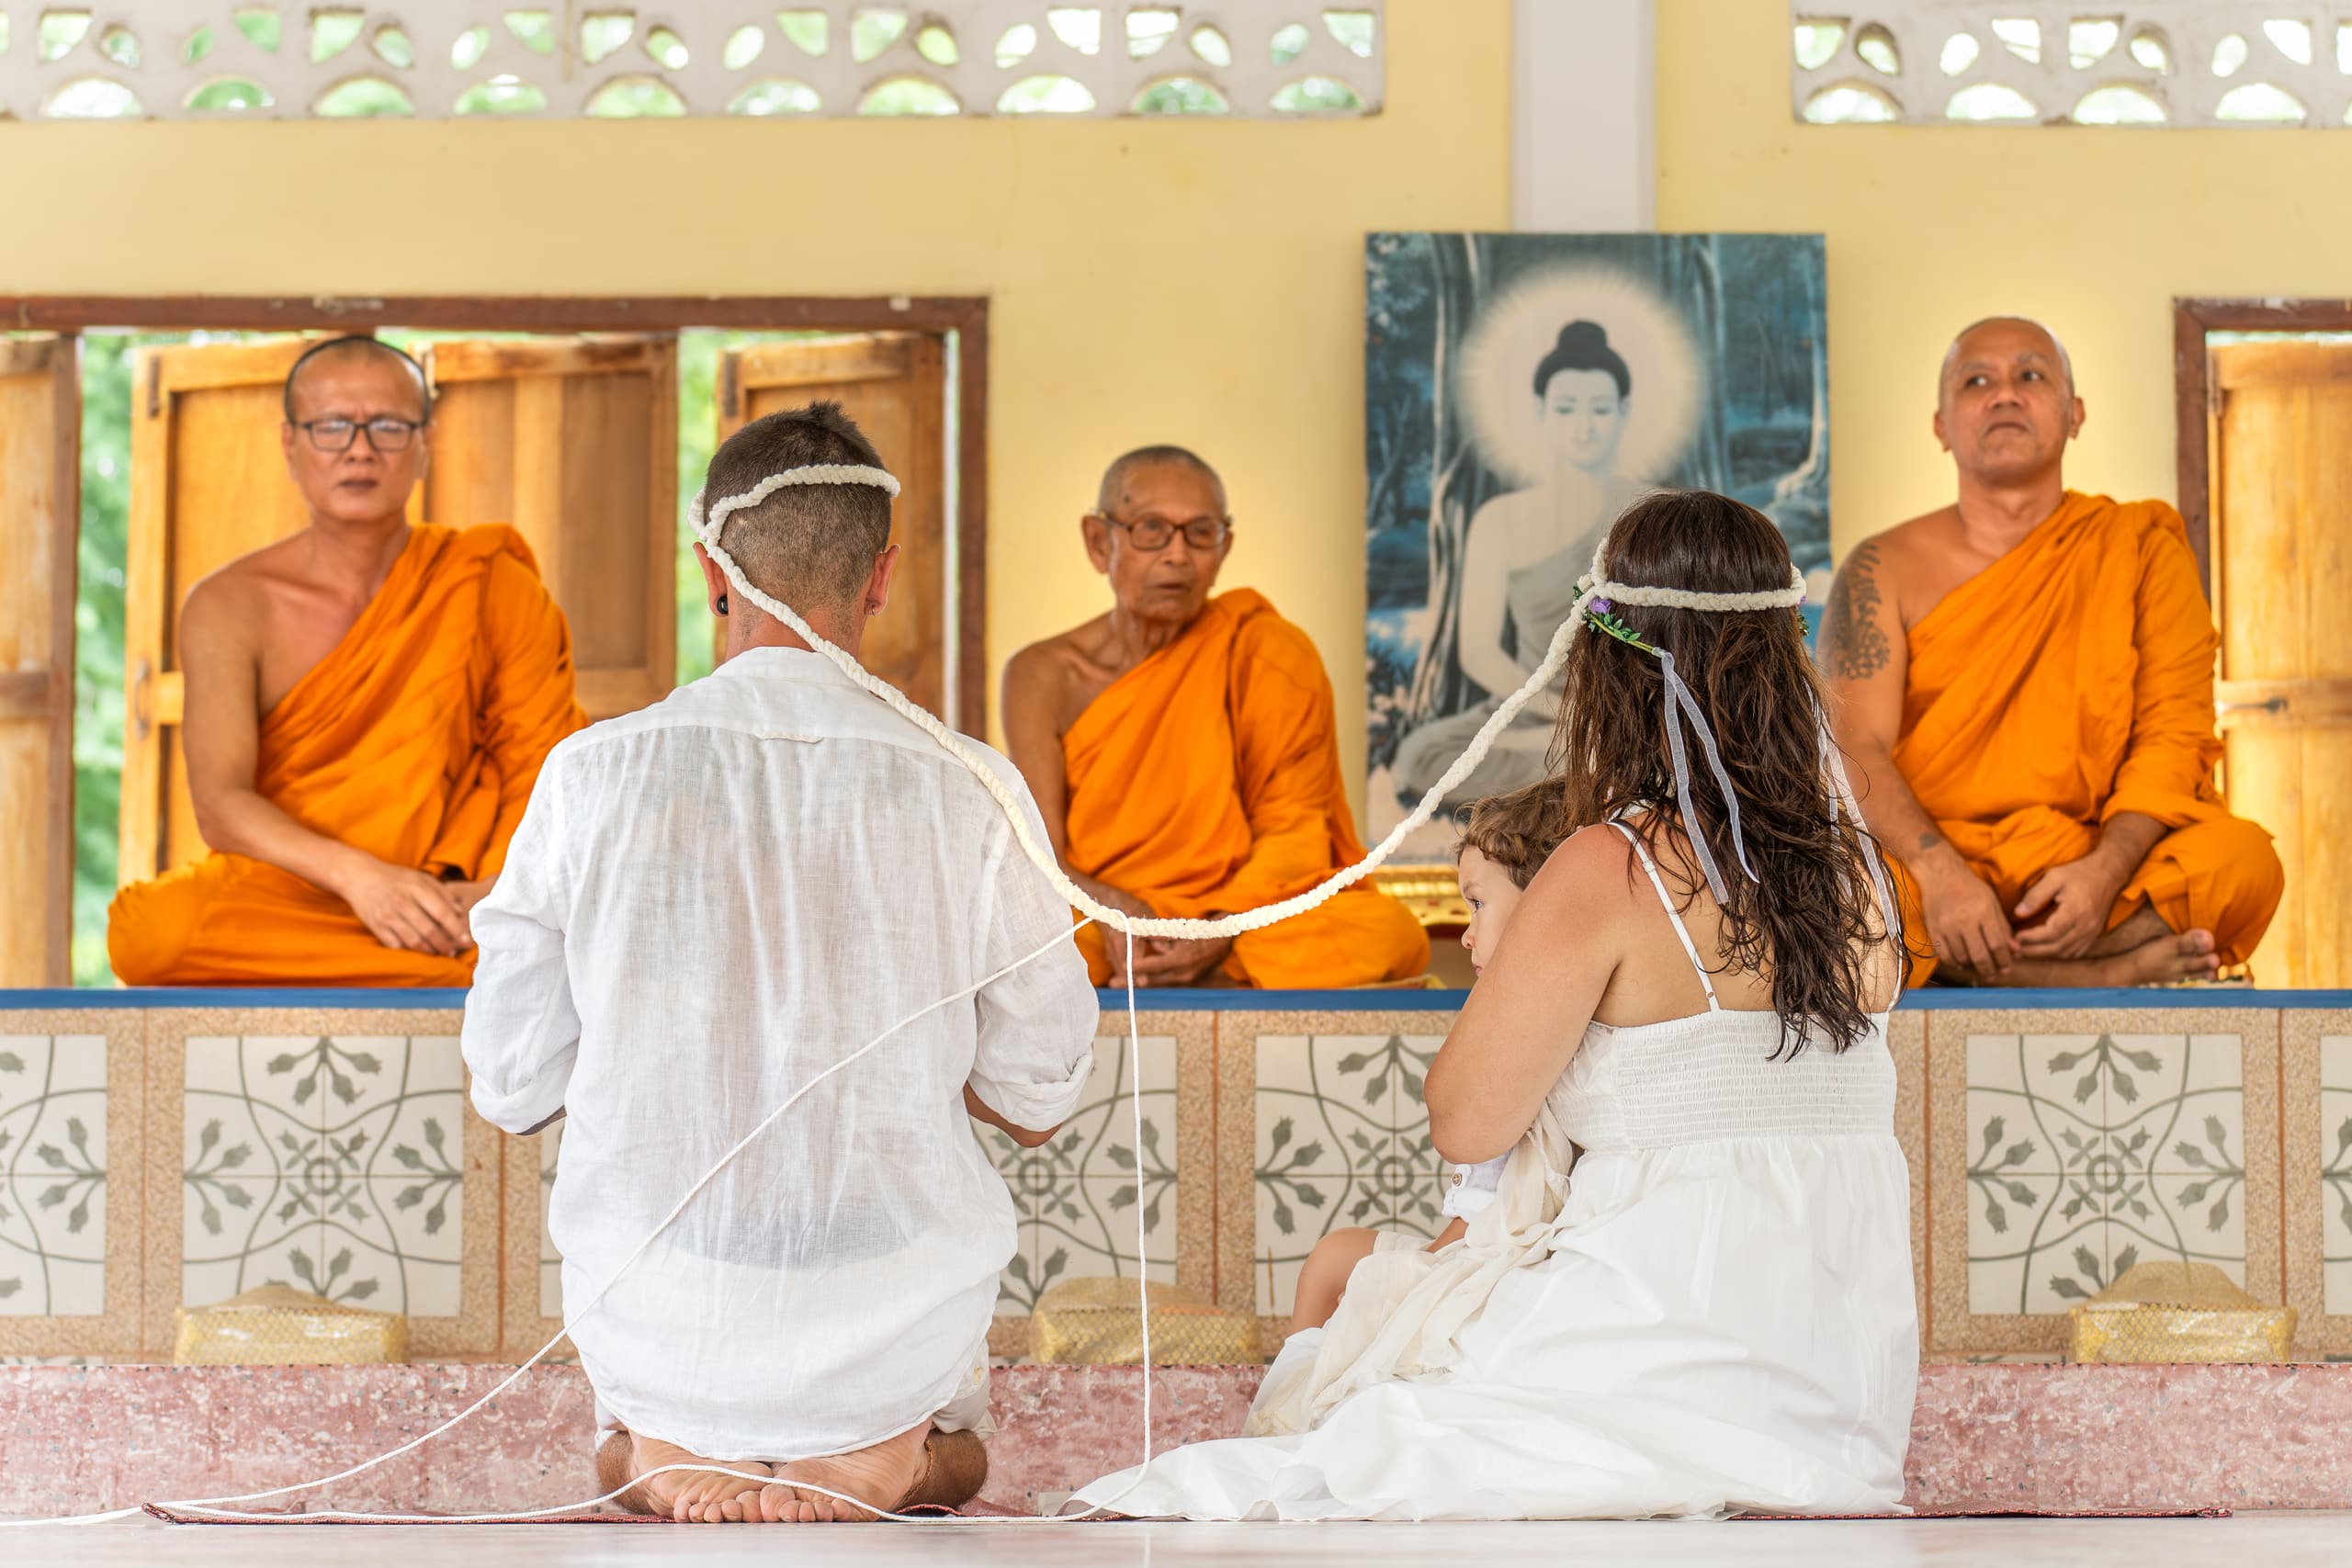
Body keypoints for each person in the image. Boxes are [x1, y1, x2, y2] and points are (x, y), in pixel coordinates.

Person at [1073, 491, 1917, 1520]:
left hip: (1653, 1358)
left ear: (1611, 662)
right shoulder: (1861, 875)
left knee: (1334, 1450)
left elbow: (1465, 1120)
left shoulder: (1612, 864)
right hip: (1836, 1405)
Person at [461, 403, 1099, 1525]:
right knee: (968, 1461)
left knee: (619, 1436)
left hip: (667, 1300)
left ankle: (653, 1444)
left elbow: (511, 1089)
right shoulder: (971, 782)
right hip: (890, 1295)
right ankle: (895, 1454)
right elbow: (1039, 1099)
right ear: (881, 577)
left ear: (712, 572)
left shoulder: (591, 773)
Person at [1817, 317, 2283, 987]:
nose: (2005, 394)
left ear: (2075, 414)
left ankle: (1986, 968)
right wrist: (1940, 872)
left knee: (2244, 863)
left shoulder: (2140, 548)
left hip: (2091, 858)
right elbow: (1852, 744)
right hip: (1932, 864)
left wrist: (2105, 873)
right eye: (1977, 381)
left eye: (2031, 375)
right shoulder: (1880, 567)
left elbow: (2173, 736)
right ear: (1942, 426)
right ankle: (2100, 973)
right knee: (1837, 892)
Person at [107, 335, 584, 986]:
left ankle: (455, 943)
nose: (360, 449)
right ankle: (442, 959)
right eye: (332, 426)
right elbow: (221, 804)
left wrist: (496, 889)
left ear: (425, 443)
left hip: (452, 895)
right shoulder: (229, 605)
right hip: (300, 891)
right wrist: (363, 880)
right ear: (290, 444)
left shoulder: (491, 582)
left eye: (388, 426)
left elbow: (544, 767)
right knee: (151, 934)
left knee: (547, 930)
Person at [1001, 446, 1428, 989]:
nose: (1178, 555)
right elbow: (1041, 856)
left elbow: (1294, 829)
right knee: (1018, 940)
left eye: (1201, 533)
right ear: (1099, 541)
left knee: (1388, 934)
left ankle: (1187, 964)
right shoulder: (1042, 674)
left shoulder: (1270, 651)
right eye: (1151, 530)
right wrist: (1109, 909)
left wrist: (1220, 928)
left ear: (1224, 547)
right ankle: (1190, 968)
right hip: (1103, 914)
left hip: (1243, 913)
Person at [1253, 780, 1574, 1439]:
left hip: (1485, 1257)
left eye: (1478, 904)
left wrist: (1423, 1269)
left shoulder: (1522, 1030)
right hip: (1474, 1242)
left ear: (1543, 906)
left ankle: (1291, 1422)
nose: (1466, 934)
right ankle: (1290, 1409)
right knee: (1335, 1259)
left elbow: (1492, 1212)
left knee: (1338, 1264)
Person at [1390, 321, 1646, 810]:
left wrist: (1605, 713)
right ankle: (1586, 764)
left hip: (1627, 711)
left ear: (1624, 411)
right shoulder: (1499, 519)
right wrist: (1557, 710)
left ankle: (1588, 761)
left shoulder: (1652, 511)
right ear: (1541, 410)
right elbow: (1479, 651)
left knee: (1641, 745)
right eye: (1566, 409)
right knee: (1420, 755)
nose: (1584, 426)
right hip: (1532, 707)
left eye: (1599, 409)